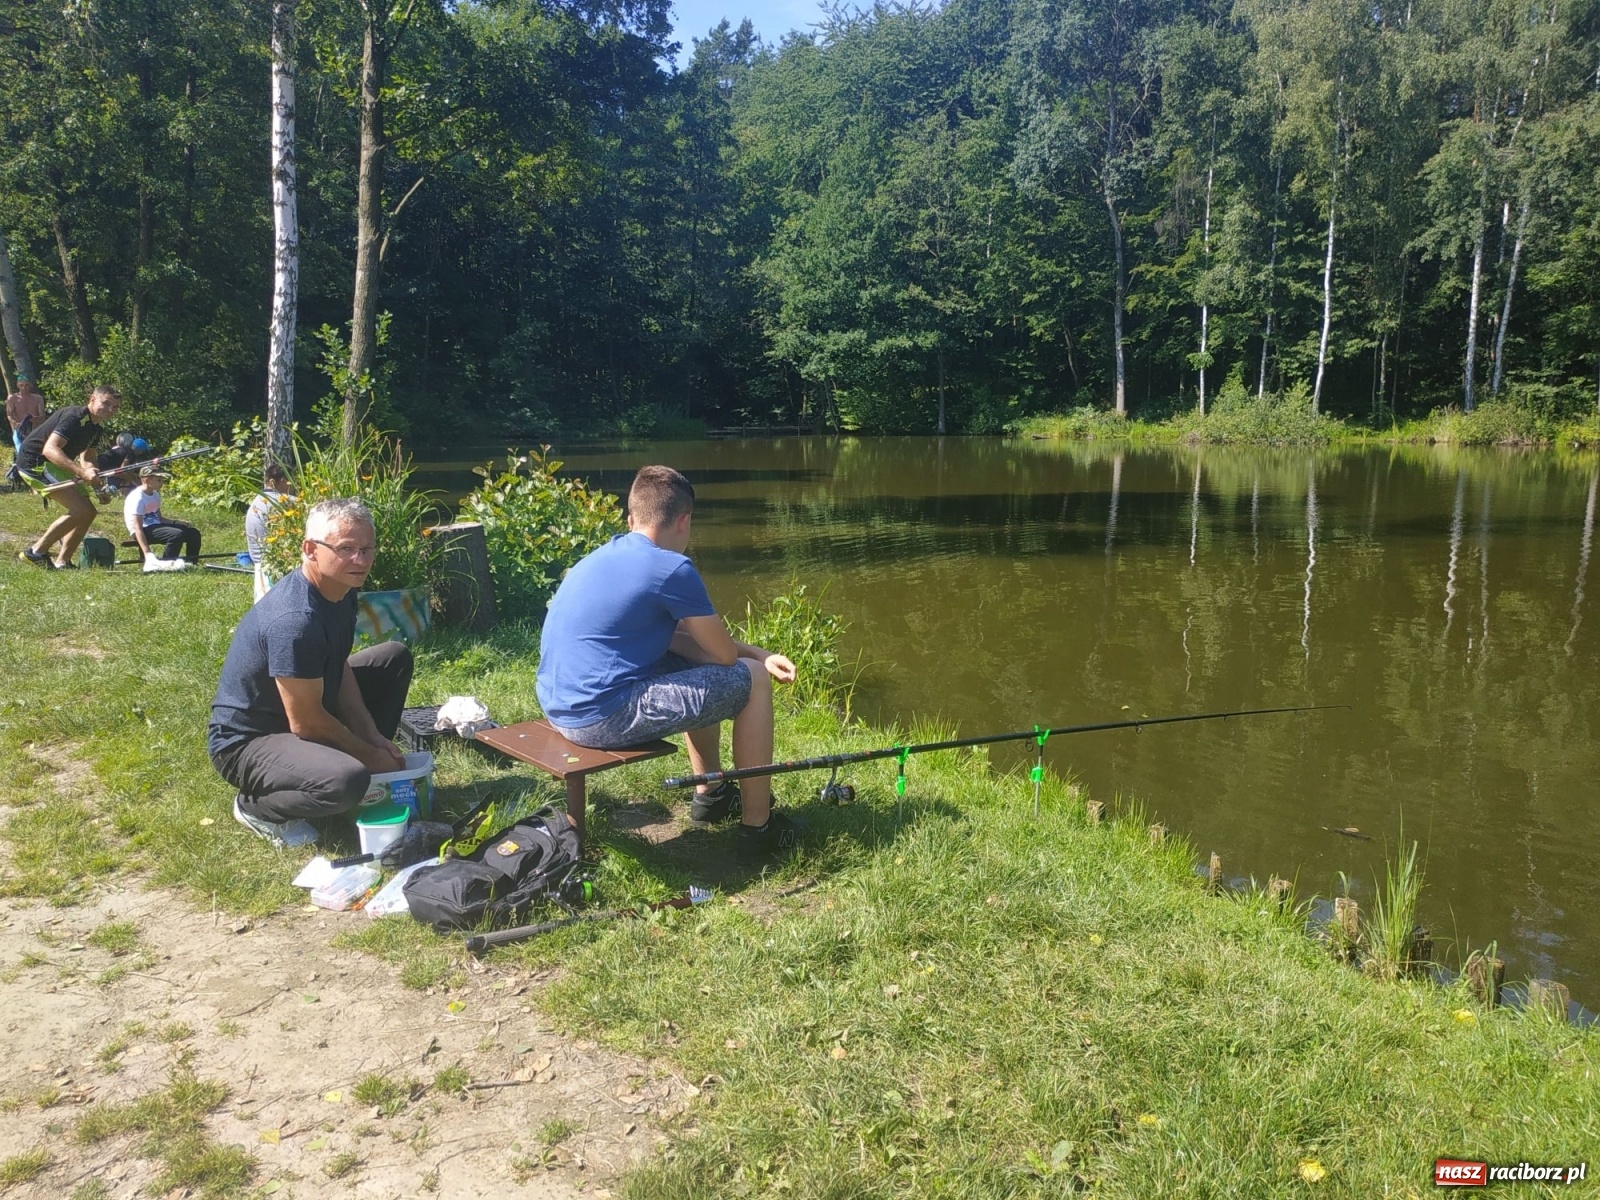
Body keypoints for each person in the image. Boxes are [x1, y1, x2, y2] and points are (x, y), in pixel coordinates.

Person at [536, 465, 804, 858]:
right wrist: (757, 663)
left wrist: (763, 653)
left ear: (632, 518)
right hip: (598, 717)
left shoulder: (602, 556)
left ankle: (711, 794)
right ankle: (758, 829)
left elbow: (682, 643)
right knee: (752, 681)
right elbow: (723, 655)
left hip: (562, 703)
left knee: (713, 667)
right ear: (683, 521)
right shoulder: (671, 568)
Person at [208, 497, 413, 847]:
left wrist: (371, 736)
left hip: (303, 710)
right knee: (347, 780)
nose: (360, 560)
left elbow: (339, 667)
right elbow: (306, 722)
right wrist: (366, 757)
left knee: (392, 657)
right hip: (248, 740)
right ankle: (257, 808)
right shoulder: (295, 620)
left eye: (367, 548)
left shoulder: (342, 589)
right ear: (310, 549)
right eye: (346, 548)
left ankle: (350, 765)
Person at [14, 385, 121, 570]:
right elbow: (50, 449)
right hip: (35, 462)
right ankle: (35, 552)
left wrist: (97, 485)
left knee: (89, 512)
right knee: (79, 509)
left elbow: (88, 458)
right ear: (92, 399)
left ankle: (62, 562)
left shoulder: (95, 428)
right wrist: (81, 472)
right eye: (106, 403)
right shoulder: (75, 417)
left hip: (55, 465)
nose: (111, 410)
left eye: (115, 407)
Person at [124, 464, 201, 569]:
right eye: (158, 480)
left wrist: (177, 522)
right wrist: (147, 554)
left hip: (155, 526)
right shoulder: (137, 498)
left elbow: (159, 518)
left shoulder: (155, 494)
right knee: (176, 534)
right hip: (142, 530)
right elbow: (137, 528)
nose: (162, 483)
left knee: (193, 533)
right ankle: (167, 564)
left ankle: (191, 563)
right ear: (147, 480)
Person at [244, 461, 294, 600]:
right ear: (283, 481)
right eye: (292, 482)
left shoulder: (255, 502)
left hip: (259, 564)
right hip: (279, 567)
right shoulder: (289, 502)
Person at [5, 374, 44, 456]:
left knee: (39, 453)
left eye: (26, 385)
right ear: (17, 385)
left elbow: (42, 416)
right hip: (20, 431)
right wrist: (14, 422)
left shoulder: (38, 398)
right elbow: (9, 415)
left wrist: (34, 419)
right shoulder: (12, 398)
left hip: (35, 431)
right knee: (21, 451)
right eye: (21, 385)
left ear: (30, 385)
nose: (24, 388)